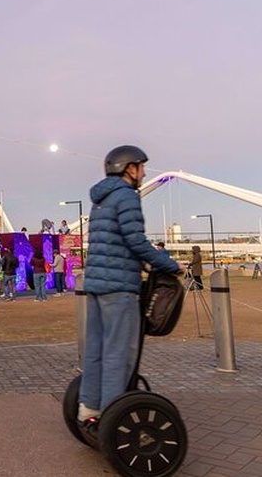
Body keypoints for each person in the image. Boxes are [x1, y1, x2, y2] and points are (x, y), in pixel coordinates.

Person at [77, 145, 182, 428]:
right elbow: (135, 240)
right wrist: (170, 264)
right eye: (141, 167)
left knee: (96, 350)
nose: (145, 173)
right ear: (129, 169)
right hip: (119, 287)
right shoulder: (126, 197)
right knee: (119, 353)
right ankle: (114, 418)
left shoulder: (100, 200)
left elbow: (114, 241)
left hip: (96, 285)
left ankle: (88, 408)